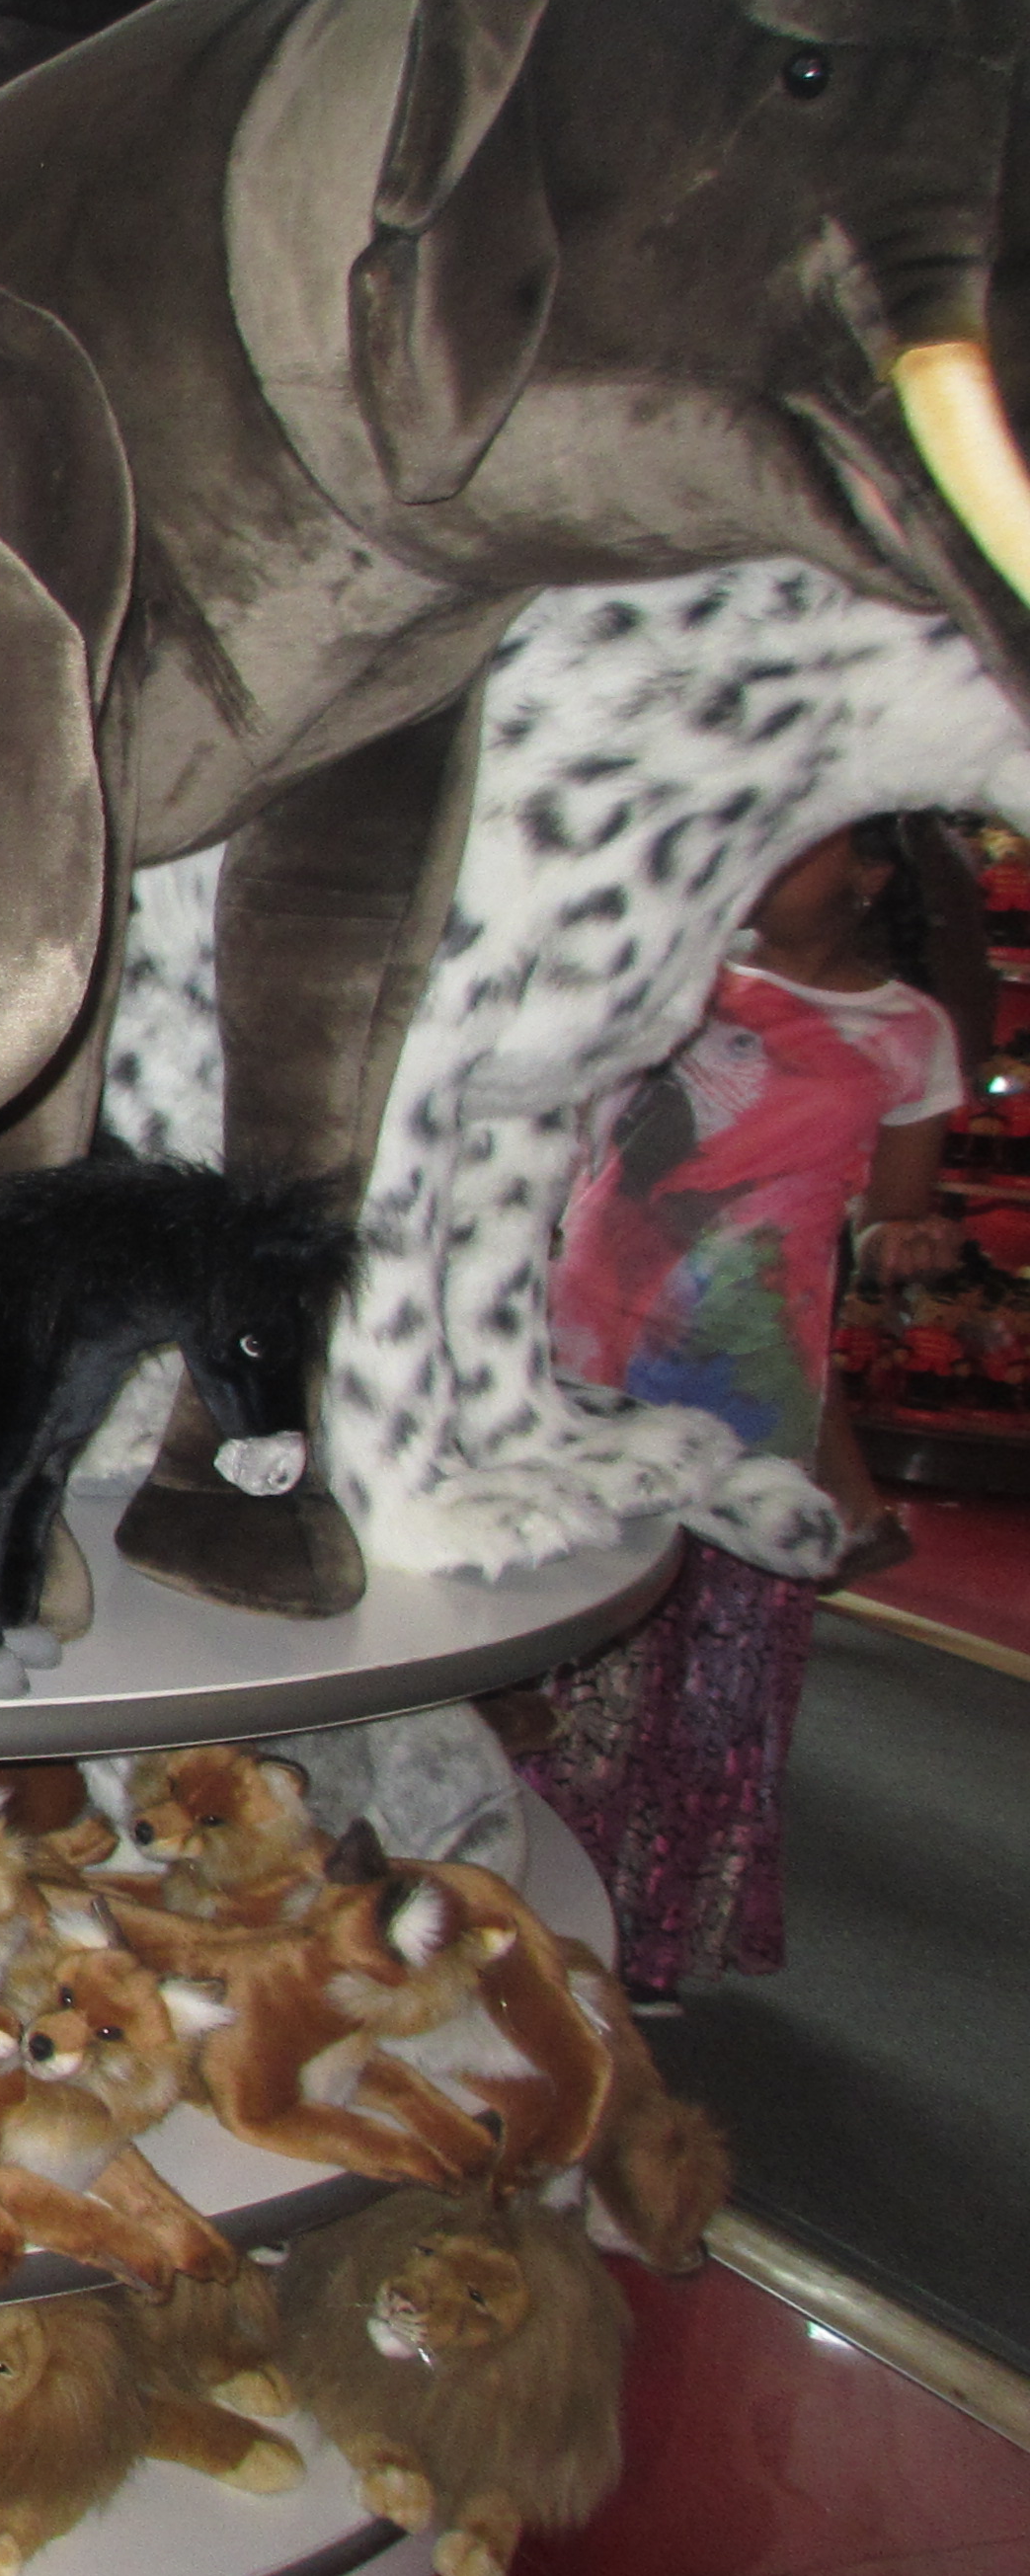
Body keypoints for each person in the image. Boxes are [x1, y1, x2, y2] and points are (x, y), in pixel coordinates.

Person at [529, 816, 969, 1991]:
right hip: (580, 1351)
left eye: (806, 838)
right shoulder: (675, 966)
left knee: (706, 1672)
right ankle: (518, 1905)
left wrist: (908, 1244)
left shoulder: (910, 1033)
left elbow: (888, 1219)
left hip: (748, 1386)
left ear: (868, 877)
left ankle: (651, 1940)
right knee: (560, 1645)